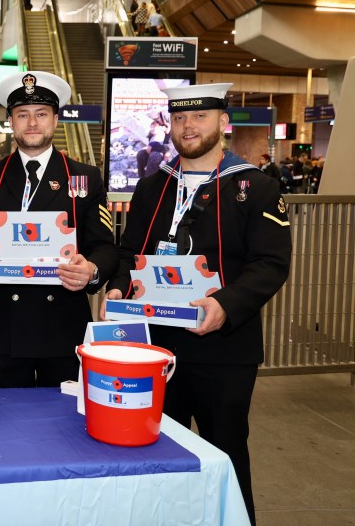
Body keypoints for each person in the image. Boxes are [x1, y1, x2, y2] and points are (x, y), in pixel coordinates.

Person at [103, 82, 291, 524]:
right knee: (154, 450)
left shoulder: (256, 187)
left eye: (200, 117)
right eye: (180, 118)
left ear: (223, 123)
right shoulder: (152, 187)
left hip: (223, 349)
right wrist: (117, 285)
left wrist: (226, 303)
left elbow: (270, 264)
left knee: (224, 453)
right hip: (155, 347)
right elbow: (131, 253)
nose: (189, 127)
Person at [0, 72, 118, 387]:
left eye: (41, 114)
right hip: (3, 327)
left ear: (56, 119)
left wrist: (91, 270)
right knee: (6, 423)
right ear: (10, 121)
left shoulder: (83, 176)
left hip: (63, 327)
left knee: (64, 427)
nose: (32, 122)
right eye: (22, 114)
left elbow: (106, 247)